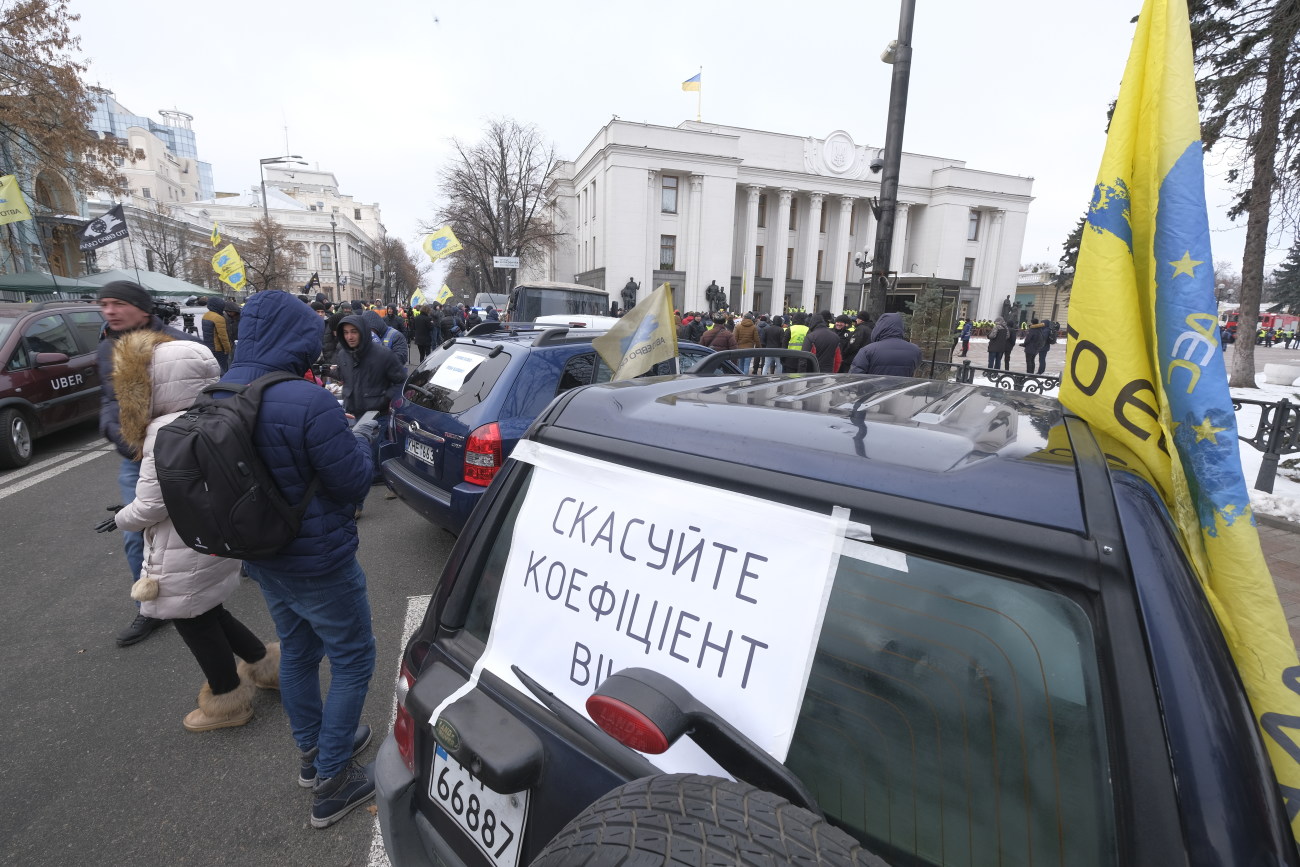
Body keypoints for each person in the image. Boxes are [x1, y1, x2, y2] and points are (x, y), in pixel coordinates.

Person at [216, 289, 380, 829]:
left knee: (299, 653)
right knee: (354, 657)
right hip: (319, 562)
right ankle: (332, 779)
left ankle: (313, 754)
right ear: (296, 338)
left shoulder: (218, 391)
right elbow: (353, 483)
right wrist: (360, 438)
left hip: (261, 557)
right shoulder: (308, 401)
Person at [103, 331, 280, 731]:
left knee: (192, 620)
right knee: (208, 608)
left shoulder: (161, 432)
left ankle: (228, 701)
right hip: (215, 540)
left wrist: (120, 518)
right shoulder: (218, 416)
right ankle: (265, 665)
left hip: (179, 545)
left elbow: (150, 505)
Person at [97, 280, 198, 647]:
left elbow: (204, 396)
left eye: (118, 303)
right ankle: (149, 607)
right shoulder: (106, 348)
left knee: (205, 518)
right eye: (104, 304)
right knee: (136, 533)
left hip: (181, 452)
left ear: (142, 308)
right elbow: (109, 400)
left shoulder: (176, 343)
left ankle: (241, 559)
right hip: (134, 458)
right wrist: (120, 435)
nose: (109, 311)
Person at [334, 313, 407, 511]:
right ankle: (384, 488)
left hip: (376, 414)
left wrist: (385, 397)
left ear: (363, 332)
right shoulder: (342, 354)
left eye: (354, 332)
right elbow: (344, 375)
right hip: (352, 413)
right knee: (365, 456)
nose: (349, 336)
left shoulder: (382, 354)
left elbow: (400, 379)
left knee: (368, 457)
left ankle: (359, 503)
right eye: (346, 332)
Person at [849, 312, 922, 376]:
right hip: (901, 390)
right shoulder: (915, 350)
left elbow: (855, 376)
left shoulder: (867, 350)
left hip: (874, 390)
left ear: (880, 327)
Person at [201, 296, 233, 372]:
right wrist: (228, 349)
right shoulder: (219, 318)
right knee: (222, 369)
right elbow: (223, 337)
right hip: (219, 349)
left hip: (209, 347)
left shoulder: (206, 315)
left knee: (213, 369)